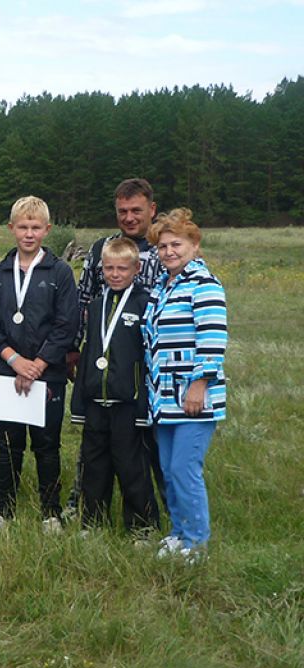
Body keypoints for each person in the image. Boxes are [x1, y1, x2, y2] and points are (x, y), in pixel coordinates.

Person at [0, 196, 79, 531]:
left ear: (47, 230)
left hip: (47, 376)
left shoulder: (60, 273)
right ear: (11, 229)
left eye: (36, 227)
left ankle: (51, 512)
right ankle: (2, 511)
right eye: (23, 227)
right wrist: (15, 360)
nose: (29, 234)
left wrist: (37, 364)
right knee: (8, 447)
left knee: (47, 445)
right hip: (7, 372)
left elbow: (67, 325)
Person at [66, 177, 165, 519]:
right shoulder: (100, 249)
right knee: (96, 447)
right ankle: (85, 506)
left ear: (152, 209)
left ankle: (161, 513)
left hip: (147, 367)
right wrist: (75, 347)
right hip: (104, 364)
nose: (129, 217)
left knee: (147, 447)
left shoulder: (164, 249)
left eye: (136, 210)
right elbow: (84, 299)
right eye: (123, 211)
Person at [142, 209, 227, 561]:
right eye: (162, 246)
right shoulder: (163, 286)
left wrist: (200, 384)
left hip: (193, 397)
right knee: (167, 467)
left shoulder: (204, 284)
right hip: (163, 398)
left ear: (194, 244)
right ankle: (178, 532)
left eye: (176, 244)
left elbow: (212, 338)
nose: (168, 252)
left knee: (183, 468)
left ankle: (196, 542)